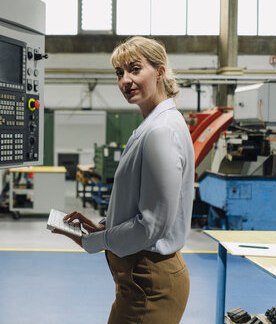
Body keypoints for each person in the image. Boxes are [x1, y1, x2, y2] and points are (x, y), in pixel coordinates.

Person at [53, 36, 195, 324]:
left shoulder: (160, 132)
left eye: (135, 69)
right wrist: (105, 225)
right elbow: (147, 206)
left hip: (148, 283)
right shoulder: (157, 124)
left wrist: (97, 240)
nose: (126, 80)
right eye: (120, 73)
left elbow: (152, 224)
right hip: (143, 278)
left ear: (160, 71)